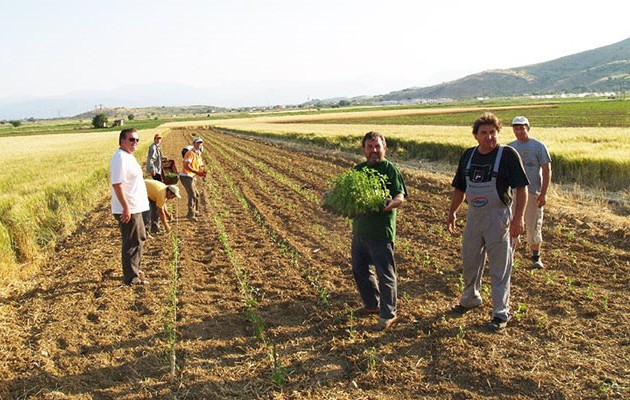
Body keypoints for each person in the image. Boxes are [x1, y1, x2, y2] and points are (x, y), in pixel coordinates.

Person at [446, 113, 529, 331]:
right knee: (470, 259)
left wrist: (518, 218)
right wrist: (452, 212)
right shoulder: (468, 156)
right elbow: (460, 188)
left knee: (500, 266)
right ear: (475, 136)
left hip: (499, 217)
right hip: (474, 216)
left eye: (493, 132)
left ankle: (500, 312)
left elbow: (521, 188)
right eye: (484, 133)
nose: (489, 137)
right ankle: (470, 299)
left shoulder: (508, 155)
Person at [351, 131, 407, 332]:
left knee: (385, 273)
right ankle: (372, 304)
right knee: (360, 269)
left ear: (385, 148)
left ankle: (388, 313)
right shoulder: (358, 170)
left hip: (381, 232)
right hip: (360, 231)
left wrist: (394, 202)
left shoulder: (389, 169)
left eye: (377, 147)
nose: (374, 151)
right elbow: (348, 194)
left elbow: (400, 194)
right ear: (364, 149)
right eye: (370, 147)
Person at [508, 116, 552, 269]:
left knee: (534, 226)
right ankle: (509, 257)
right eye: (516, 128)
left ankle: (536, 258)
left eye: (522, 127)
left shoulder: (538, 146)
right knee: (512, 224)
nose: (519, 131)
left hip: (533, 193)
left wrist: (543, 193)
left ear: (528, 128)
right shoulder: (509, 148)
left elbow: (547, 170)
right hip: (513, 194)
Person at [110, 128, 150, 286]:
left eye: (137, 140)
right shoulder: (119, 157)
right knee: (131, 242)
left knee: (139, 238)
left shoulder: (128, 156)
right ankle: (131, 277)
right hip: (128, 208)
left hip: (136, 206)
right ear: (122, 141)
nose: (135, 143)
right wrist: (126, 208)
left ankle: (135, 269)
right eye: (132, 140)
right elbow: (117, 184)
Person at [180, 136, 206, 221]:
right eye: (198, 143)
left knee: (197, 195)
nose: (199, 144)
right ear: (194, 143)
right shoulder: (190, 153)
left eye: (201, 143)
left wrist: (202, 172)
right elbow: (186, 166)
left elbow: (200, 166)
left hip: (191, 176)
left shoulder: (198, 154)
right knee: (192, 194)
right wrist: (196, 172)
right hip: (186, 176)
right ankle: (190, 215)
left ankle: (196, 211)